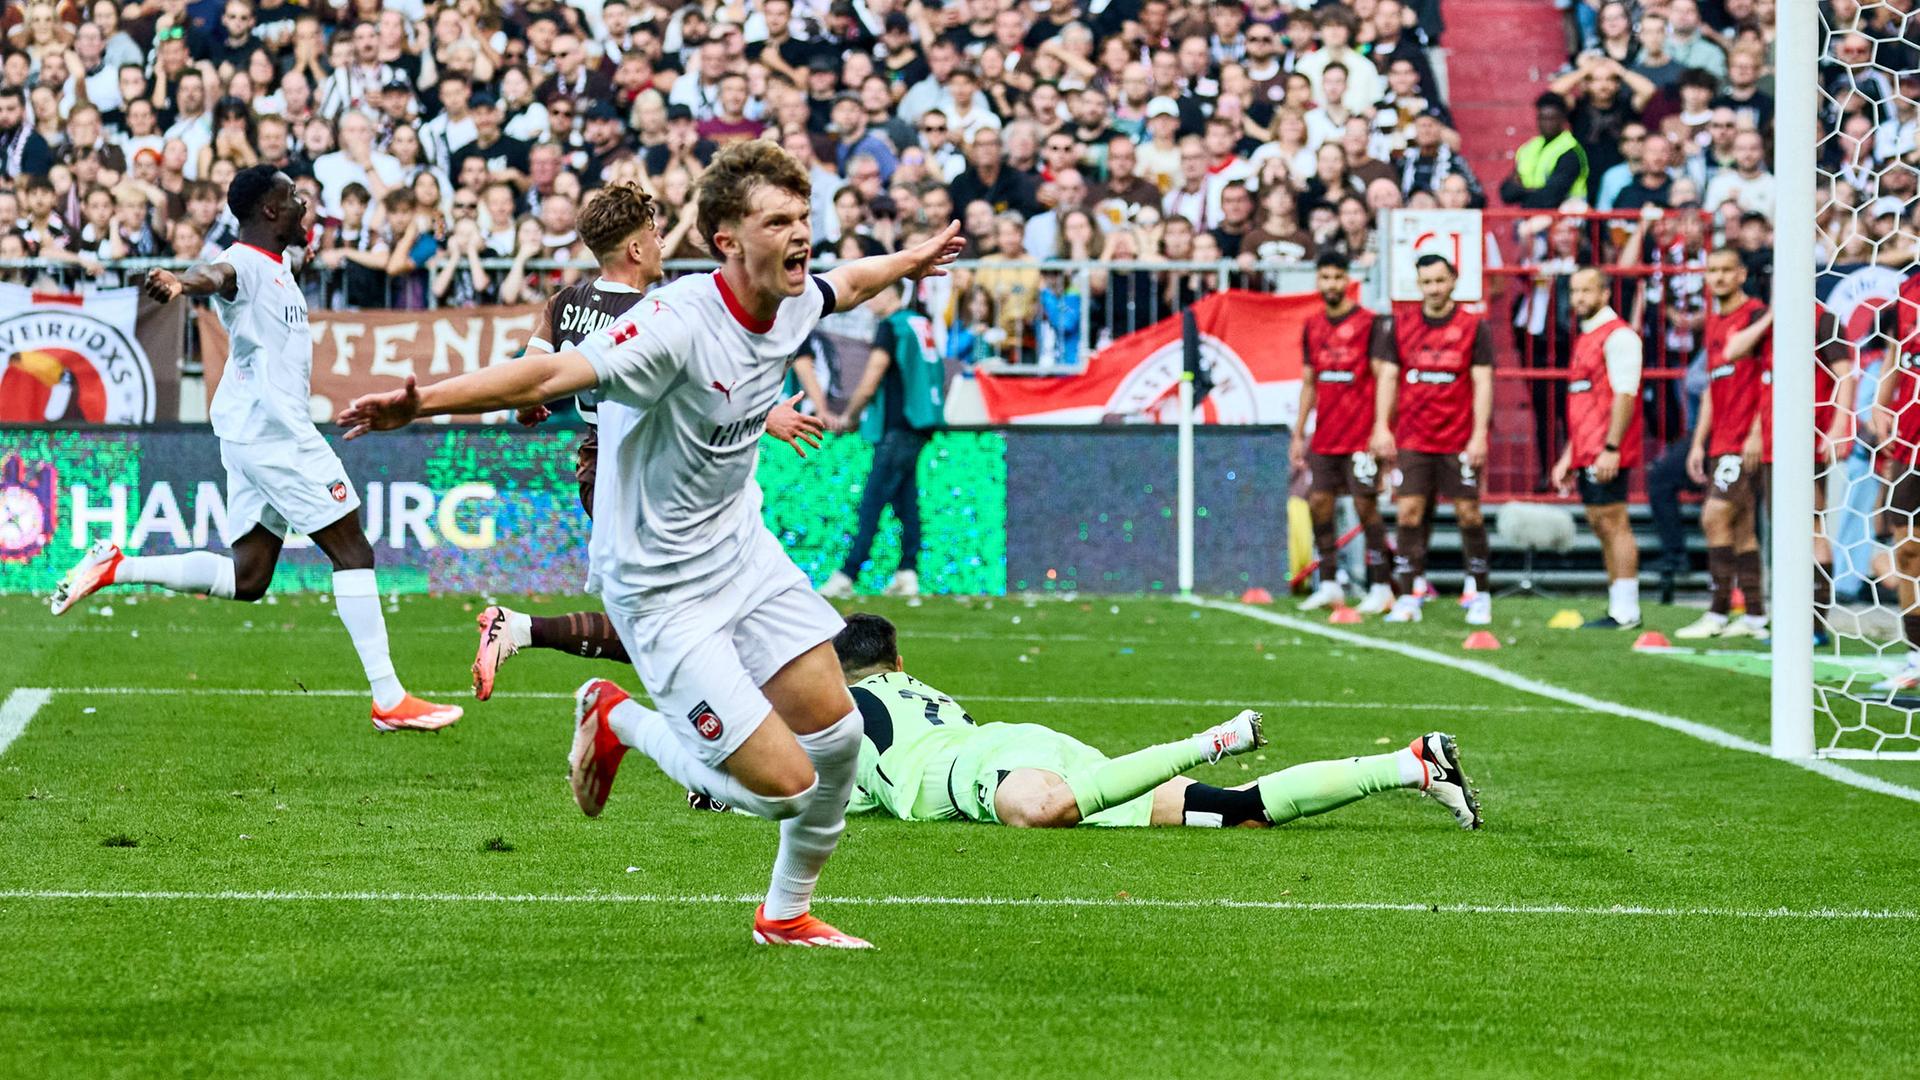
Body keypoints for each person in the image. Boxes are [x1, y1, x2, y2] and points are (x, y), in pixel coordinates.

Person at [337, 140, 966, 949]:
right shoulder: (673, 324)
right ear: (725, 240)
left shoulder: (797, 294)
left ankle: (784, 915)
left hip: (743, 552)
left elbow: (852, 282)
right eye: (778, 220)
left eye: (802, 217)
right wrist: (418, 404)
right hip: (659, 586)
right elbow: (543, 378)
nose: (800, 235)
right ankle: (616, 716)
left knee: (841, 740)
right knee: (784, 789)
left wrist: (914, 258)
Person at [50, 166, 463, 733]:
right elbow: (213, 273)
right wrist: (179, 281)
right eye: (293, 197)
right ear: (269, 211)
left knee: (249, 579)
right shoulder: (243, 261)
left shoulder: (280, 265)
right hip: (276, 436)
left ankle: (118, 566)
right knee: (354, 553)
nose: (303, 205)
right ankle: (388, 698)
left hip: (251, 433)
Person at [469, 182, 814, 699]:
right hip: (647, 476)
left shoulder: (564, 302)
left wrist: (527, 407)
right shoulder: (655, 317)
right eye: (653, 233)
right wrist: (765, 416)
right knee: (685, 626)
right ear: (635, 249)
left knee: (688, 623)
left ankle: (520, 630)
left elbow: (531, 374)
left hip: (599, 468)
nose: (659, 243)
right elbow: (703, 394)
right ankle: (699, 748)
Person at [689, 614, 1481, 831]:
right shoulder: (916, 692)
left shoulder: (847, 707)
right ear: (896, 660)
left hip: (981, 775)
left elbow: (793, 778)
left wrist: (721, 786)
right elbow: (851, 793)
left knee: (1043, 813)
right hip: (1029, 742)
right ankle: (1412, 764)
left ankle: (1210, 736)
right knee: (1236, 810)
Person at [1369, 254, 1497, 625]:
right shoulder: (1403, 326)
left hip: (1458, 438)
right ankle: (1409, 594)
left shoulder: (1475, 327)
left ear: (1454, 280)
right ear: (1418, 284)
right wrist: (1381, 425)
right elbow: (1389, 378)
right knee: (1408, 513)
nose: (1434, 289)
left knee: (1468, 513)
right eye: (1427, 282)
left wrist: (1478, 435)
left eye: (1440, 281)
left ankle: (1480, 592)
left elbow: (1483, 382)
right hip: (1413, 436)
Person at [821, 281, 945, 599]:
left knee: (873, 500)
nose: (866, 299)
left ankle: (847, 574)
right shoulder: (919, 323)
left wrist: (849, 415)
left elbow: (872, 377)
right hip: (920, 420)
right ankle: (908, 571)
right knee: (905, 500)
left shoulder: (891, 327)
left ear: (891, 294)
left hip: (898, 423)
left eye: (873, 292)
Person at [1292, 253, 1394, 615]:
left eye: (1337, 277)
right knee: (1318, 503)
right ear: (1318, 280)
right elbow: (1309, 382)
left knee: (1366, 505)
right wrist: (1298, 432)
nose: (1331, 284)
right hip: (1325, 435)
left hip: (1360, 436)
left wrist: (1382, 427)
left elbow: (1384, 376)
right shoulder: (1313, 325)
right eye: (1325, 277)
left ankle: (1382, 585)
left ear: (1347, 280)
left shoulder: (1370, 324)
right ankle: (1331, 583)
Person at [1678, 249, 1770, 641]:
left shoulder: (1756, 316)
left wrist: (1755, 431)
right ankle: (1753, 616)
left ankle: (1717, 612)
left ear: (1741, 274)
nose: (1717, 277)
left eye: (1725, 270)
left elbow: (1769, 378)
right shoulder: (1714, 320)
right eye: (1711, 270)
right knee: (1742, 528)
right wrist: (1699, 442)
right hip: (1721, 438)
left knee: (1714, 515)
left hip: (1744, 439)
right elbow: (1716, 388)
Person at [1550, 269, 1645, 630]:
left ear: (1605, 293)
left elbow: (1625, 393)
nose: (1579, 298)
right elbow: (1583, 403)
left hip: (1606, 448)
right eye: (1575, 291)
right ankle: (1617, 605)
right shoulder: (1587, 336)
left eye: (1587, 290)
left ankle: (1627, 610)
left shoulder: (1619, 336)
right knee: (1600, 522)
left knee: (1613, 521)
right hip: (1587, 448)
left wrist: (1611, 447)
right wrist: (1568, 455)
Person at [1498, 93, 1587, 209]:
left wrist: (1523, 191)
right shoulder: (1529, 148)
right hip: (1530, 215)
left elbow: (1550, 197)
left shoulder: (1570, 150)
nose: (1546, 124)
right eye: (1542, 118)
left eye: (1552, 119)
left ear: (1563, 119)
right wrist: (1535, 192)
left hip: (1563, 216)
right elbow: (1507, 193)